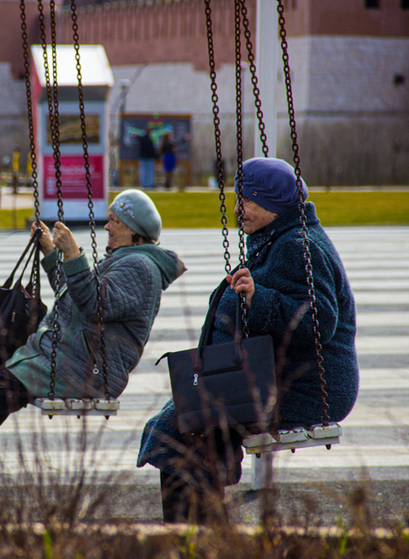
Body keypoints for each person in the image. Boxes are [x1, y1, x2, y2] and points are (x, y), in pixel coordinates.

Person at [0, 189, 186, 502]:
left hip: (88, 370)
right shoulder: (127, 260)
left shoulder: (140, 268)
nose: (106, 227)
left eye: (113, 221)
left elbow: (95, 305)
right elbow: (74, 296)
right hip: (72, 360)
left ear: (133, 231)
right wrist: (53, 254)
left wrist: (74, 255)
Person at [137, 157, 359, 524]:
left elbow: (320, 321)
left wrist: (260, 299)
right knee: (187, 419)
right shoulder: (278, 237)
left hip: (306, 386)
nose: (239, 209)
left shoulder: (297, 245)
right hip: (275, 376)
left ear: (272, 204)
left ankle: (195, 536)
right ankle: (198, 532)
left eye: (248, 200)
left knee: (183, 426)